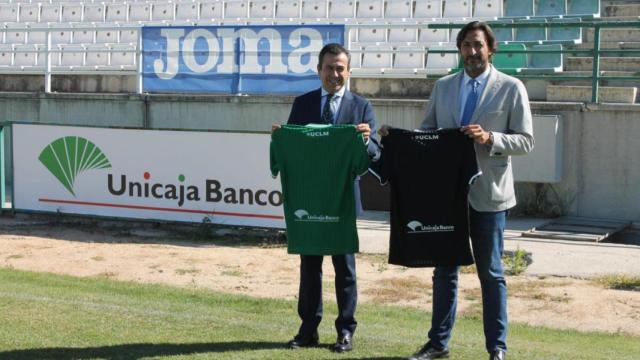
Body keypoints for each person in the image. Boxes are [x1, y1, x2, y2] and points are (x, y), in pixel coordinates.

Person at [380, 21, 534, 360]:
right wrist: (399, 139)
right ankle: (438, 344)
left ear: (490, 49)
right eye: (466, 45)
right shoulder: (444, 87)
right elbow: (428, 133)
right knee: (444, 272)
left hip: (489, 195)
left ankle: (497, 347)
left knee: (491, 273)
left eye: (478, 45)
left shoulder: (511, 87)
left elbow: (525, 141)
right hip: (446, 198)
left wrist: (490, 138)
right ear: (459, 49)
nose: (472, 51)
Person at [272, 43, 379, 353]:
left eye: (340, 68)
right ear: (319, 70)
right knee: (310, 265)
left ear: (348, 71)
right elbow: (294, 147)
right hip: (311, 199)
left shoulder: (361, 107)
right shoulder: (303, 103)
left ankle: (345, 331)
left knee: (345, 267)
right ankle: (308, 329)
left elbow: (374, 156)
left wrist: (366, 140)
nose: (335, 74)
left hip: (343, 200)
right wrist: (281, 137)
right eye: (329, 67)